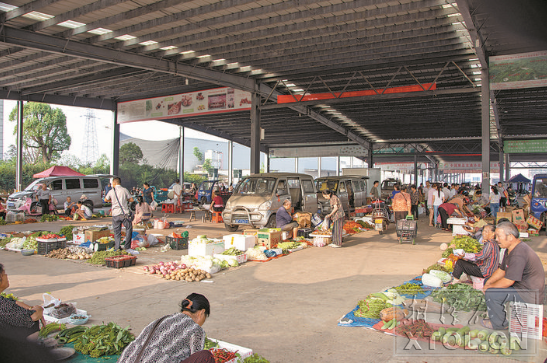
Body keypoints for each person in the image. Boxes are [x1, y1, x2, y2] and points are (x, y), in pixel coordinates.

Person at [482, 222, 546, 330]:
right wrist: (488, 283)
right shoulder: (510, 249)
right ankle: (495, 313)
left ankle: (500, 324)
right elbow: (502, 270)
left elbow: (508, 281)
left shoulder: (519, 253)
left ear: (510, 237)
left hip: (529, 294)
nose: (496, 239)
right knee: (488, 282)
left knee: (491, 293)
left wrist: (489, 287)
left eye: (499, 236)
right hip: (521, 287)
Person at [118, 293, 214, 363]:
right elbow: (196, 356)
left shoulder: (162, 319)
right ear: (201, 313)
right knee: (205, 356)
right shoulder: (196, 329)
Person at [0, 263, 44, 339]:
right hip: (9, 344)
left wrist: (30, 308)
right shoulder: (3, 306)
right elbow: (33, 316)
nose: (7, 276)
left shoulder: (4, 302)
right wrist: (38, 309)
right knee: (30, 323)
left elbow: (12, 302)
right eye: (4, 274)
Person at [105, 177, 135, 252]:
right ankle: (127, 247)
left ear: (114, 183)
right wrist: (125, 199)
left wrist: (111, 200)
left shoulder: (111, 191)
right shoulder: (124, 190)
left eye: (112, 183)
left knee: (117, 232)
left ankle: (117, 247)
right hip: (124, 213)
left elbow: (105, 199)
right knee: (128, 229)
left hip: (115, 214)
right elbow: (131, 199)